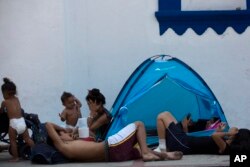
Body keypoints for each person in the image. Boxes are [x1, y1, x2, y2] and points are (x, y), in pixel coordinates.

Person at [45, 121, 183, 162]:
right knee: (139, 125)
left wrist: (70, 132)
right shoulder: (63, 146)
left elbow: (91, 137)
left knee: (138, 149)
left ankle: (162, 155)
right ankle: (147, 153)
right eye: (63, 134)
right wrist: (62, 129)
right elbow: (48, 125)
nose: (67, 134)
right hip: (111, 147)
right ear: (57, 138)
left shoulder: (71, 146)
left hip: (114, 156)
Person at [156, 111, 241, 155]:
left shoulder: (227, 149)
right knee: (167, 114)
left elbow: (215, 136)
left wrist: (228, 134)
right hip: (185, 139)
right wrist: (219, 129)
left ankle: (162, 148)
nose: (232, 129)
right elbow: (212, 138)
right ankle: (165, 147)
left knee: (161, 117)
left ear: (235, 136)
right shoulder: (224, 142)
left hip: (183, 144)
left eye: (235, 130)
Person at [1, 78, 34, 162]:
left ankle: (15, 158)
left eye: (3, 93)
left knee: (12, 142)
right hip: (22, 122)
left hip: (13, 123)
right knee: (27, 139)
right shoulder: (17, 99)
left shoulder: (5, 102)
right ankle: (36, 151)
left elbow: (1, 112)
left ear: (5, 93)